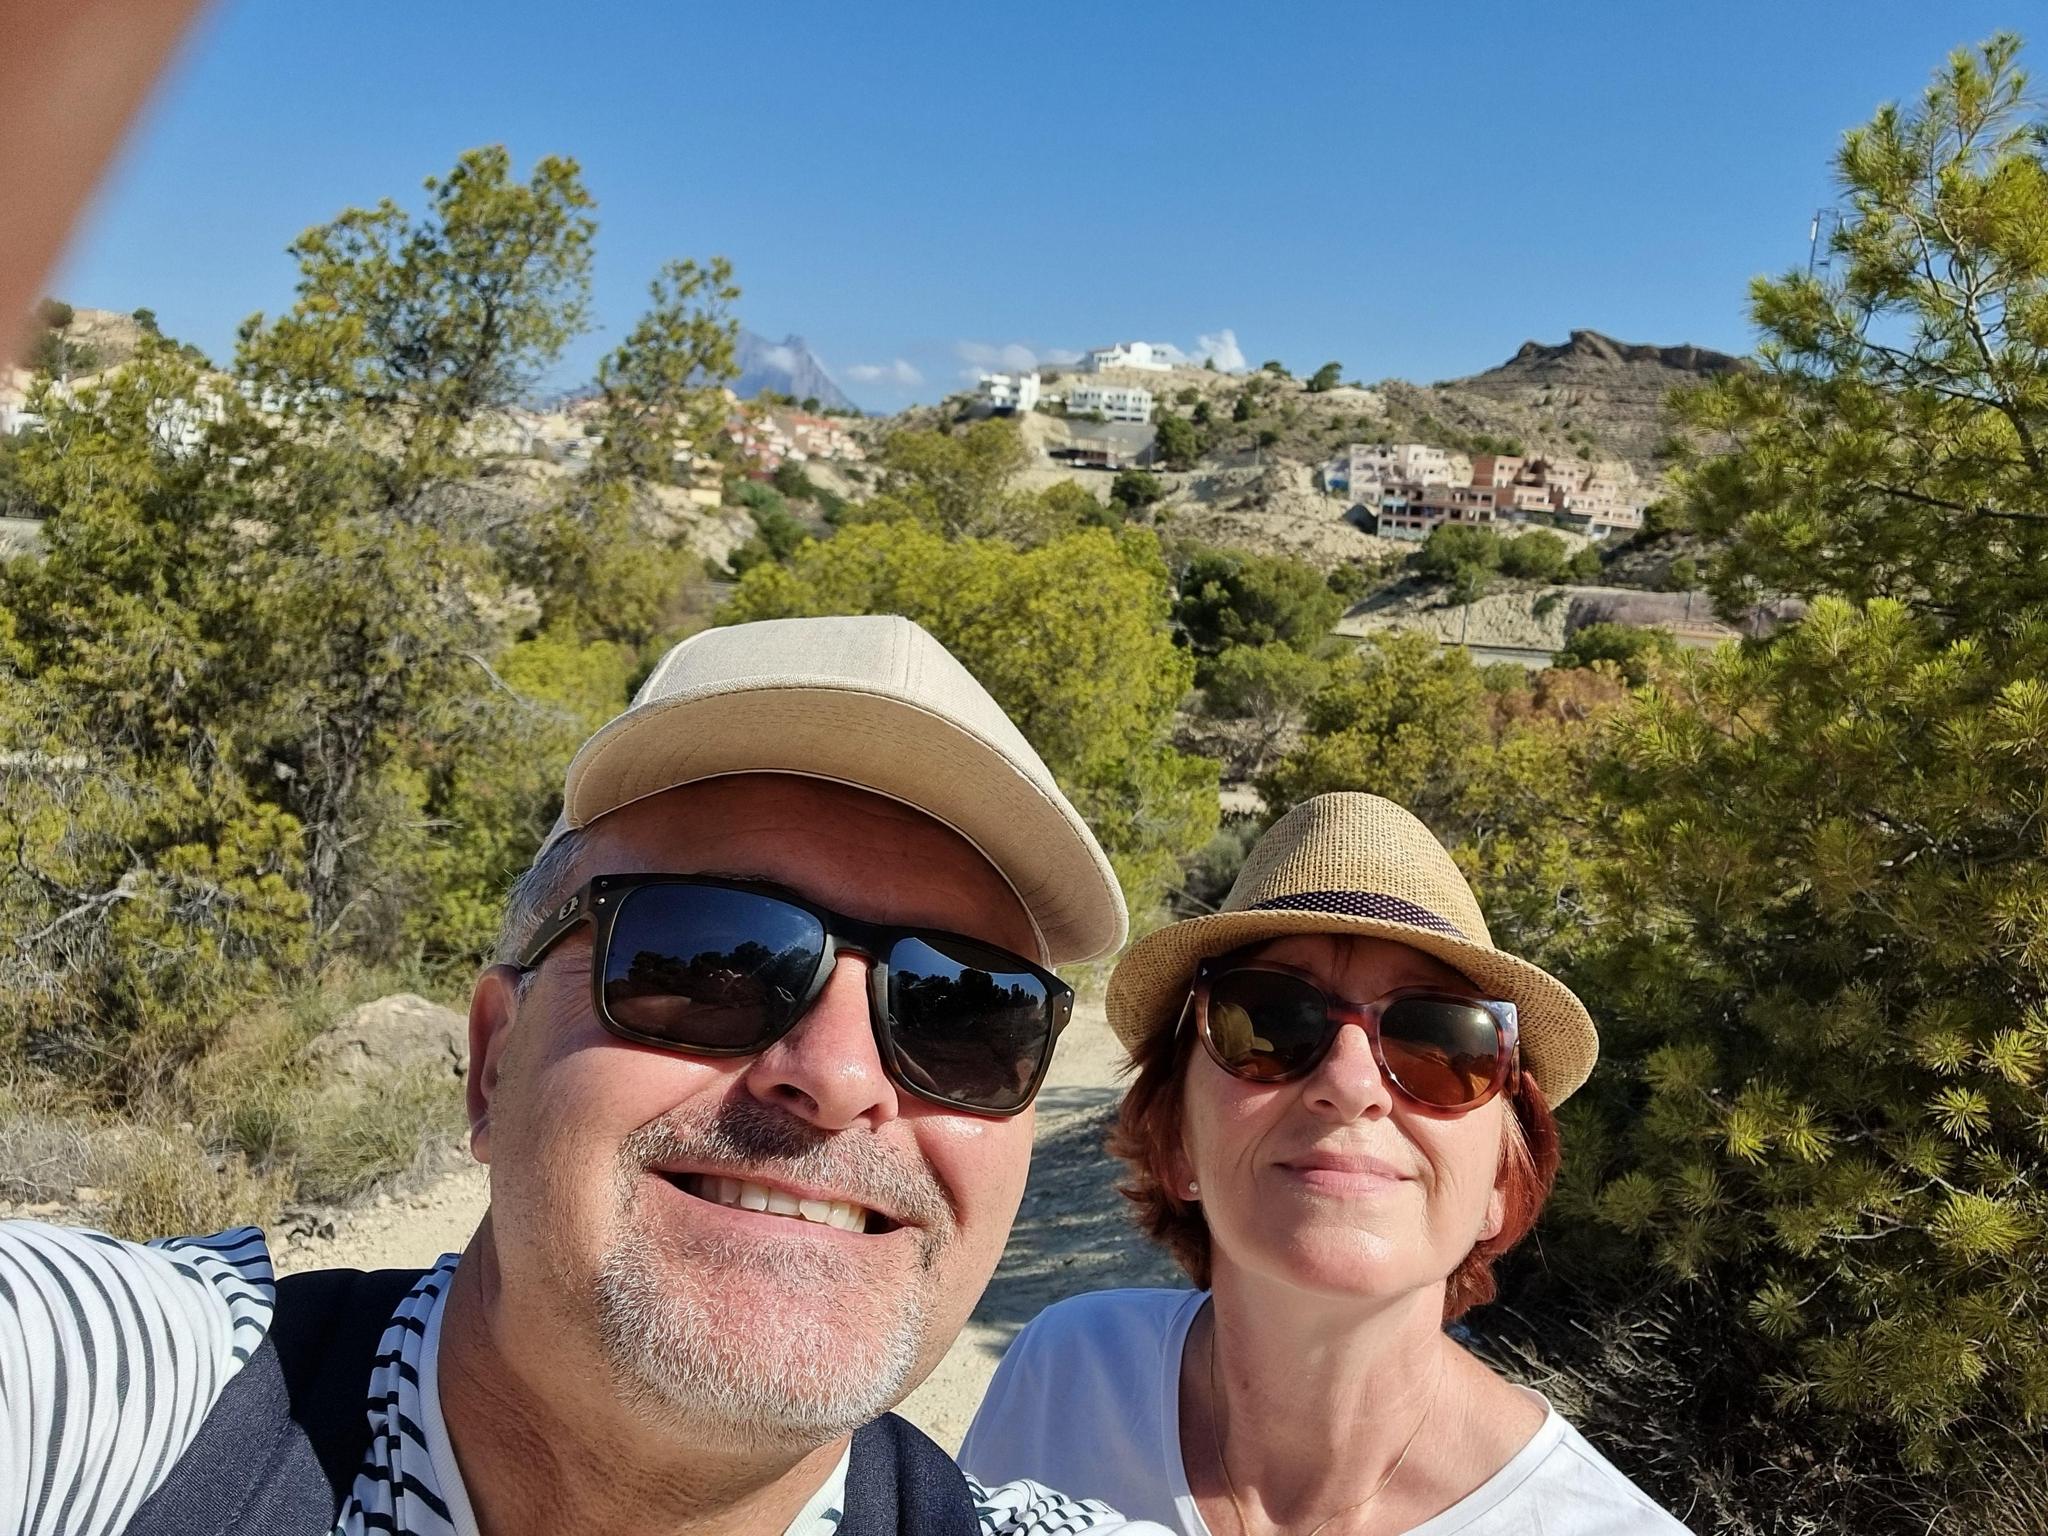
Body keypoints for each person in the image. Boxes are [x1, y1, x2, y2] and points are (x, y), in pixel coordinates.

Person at [2, 614, 1175, 1536]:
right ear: (492, 1062)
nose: (835, 1075)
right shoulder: (108, 1405)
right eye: (711, 961)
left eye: (966, 1010)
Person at [961, 793, 1692, 1535]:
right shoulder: (1065, 1374)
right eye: (1271, 1022)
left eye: (1440, 1043)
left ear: (1500, 1182)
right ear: (1177, 1139)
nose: (1350, 1085)